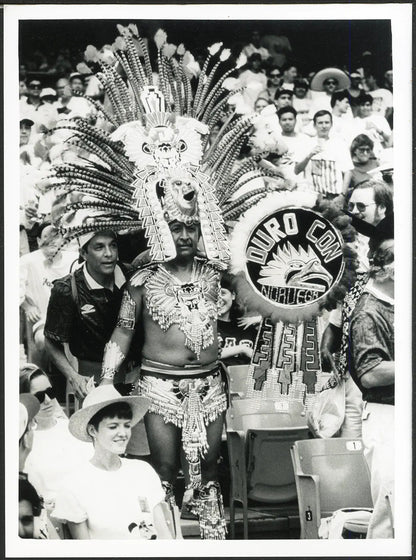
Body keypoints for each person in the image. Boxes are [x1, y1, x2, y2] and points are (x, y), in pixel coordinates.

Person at [100, 218, 228, 539]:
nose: (184, 236)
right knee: (166, 471)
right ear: (160, 229)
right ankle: (168, 544)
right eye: (175, 228)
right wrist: (106, 379)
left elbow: (260, 288)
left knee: (209, 473)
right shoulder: (142, 280)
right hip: (159, 385)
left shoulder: (216, 271)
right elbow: (123, 329)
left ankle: (215, 544)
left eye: (192, 228)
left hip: (209, 384)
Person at [51, 385, 172, 539]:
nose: (123, 433)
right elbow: (84, 551)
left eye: (127, 425)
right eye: (113, 426)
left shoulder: (143, 471)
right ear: (92, 430)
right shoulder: (74, 483)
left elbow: (164, 537)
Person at [44, 230, 127, 399]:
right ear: (83, 253)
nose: (109, 254)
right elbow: (51, 342)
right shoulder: (67, 289)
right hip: (93, 379)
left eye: (113, 245)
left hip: (134, 375)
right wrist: (73, 377)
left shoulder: (132, 277)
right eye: (99, 247)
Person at [349, 231, 394, 538]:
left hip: (396, 413)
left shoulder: (393, 303)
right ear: (389, 270)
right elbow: (370, 372)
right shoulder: (369, 311)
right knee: (391, 505)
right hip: (385, 416)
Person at [20, 364, 92, 509]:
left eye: (50, 392)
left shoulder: (73, 427)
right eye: (39, 397)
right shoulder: (24, 442)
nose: (47, 400)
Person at [20, 224, 78, 358]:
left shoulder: (74, 259)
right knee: (43, 339)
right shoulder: (28, 261)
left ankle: (71, 377)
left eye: (56, 236)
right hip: (43, 320)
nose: (52, 241)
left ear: (63, 239)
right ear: (39, 241)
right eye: (46, 237)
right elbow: (13, 286)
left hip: (72, 320)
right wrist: (27, 306)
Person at [294, 110, 352, 197]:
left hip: (334, 195)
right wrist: (309, 156)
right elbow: (297, 170)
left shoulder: (339, 143)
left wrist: (342, 196)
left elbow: (348, 171)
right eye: (320, 123)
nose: (324, 126)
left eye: (327, 122)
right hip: (313, 195)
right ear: (314, 125)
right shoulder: (306, 143)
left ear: (331, 124)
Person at [217, 274, 256, 367]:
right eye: (214, 294)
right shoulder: (207, 327)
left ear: (233, 295)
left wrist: (260, 320)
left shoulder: (246, 327)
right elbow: (205, 356)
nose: (218, 299)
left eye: (223, 293)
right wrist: (242, 349)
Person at [352, 94, 392, 158]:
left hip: (382, 152)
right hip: (364, 155)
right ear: (358, 106)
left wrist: (377, 129)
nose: (365, 107)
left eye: (367, 105)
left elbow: (390, 140)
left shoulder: (380, 119)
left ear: (371, 106)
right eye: (362, 105)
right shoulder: (354, 122)